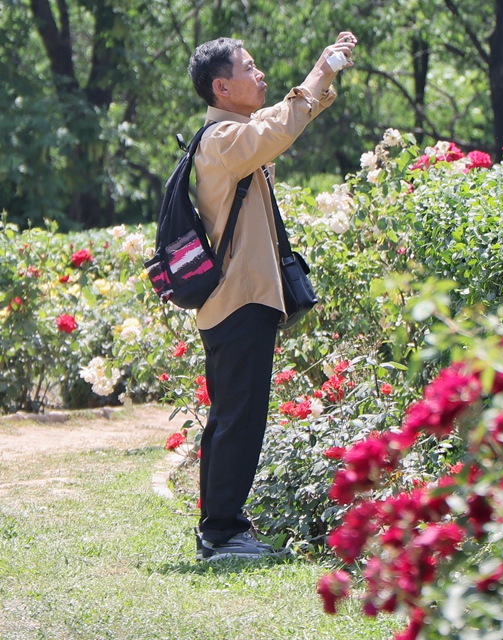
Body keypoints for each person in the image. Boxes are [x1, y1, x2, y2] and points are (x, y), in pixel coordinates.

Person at [186, 32, 356, 561]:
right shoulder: (221, 141)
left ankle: (220, 528)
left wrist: (321, 81)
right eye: (250, 67)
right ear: (222, 86)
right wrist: (320, 70)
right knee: (240, 417)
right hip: (239, 301)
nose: (260, 75)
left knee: (231, 415)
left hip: (236, 300)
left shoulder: (232, 135)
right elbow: (280, 127)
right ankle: (223, 534)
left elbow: (277, 127)